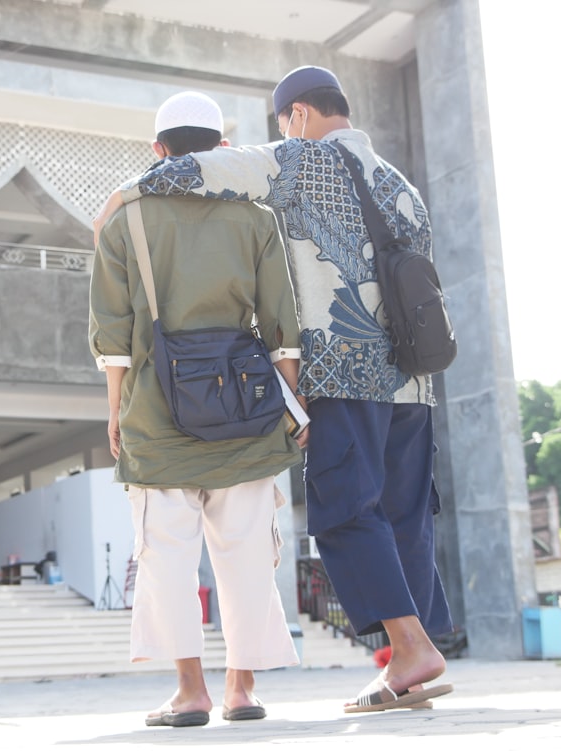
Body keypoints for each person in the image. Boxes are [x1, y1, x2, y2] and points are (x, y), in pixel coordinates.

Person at [92, 66, 455, 713]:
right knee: (403, 516)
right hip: (412, 383)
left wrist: (122, 199)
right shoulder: (402, 187)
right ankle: (407, 655)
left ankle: (408, 649)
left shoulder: (295, 161)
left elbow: (194, 170)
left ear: (295, 117)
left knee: (346, 510)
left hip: (343, 375)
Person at [88, 91, 308, 727]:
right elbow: (283, 327)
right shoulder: (256, 218)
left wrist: (114, 413)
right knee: (246, 553)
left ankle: (191, 693)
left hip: (156, 412)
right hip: (246, 407)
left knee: (167, 555)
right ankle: (241, 690)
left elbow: (111, 334)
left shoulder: (125, 217)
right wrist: (290, 408)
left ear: (157, 151)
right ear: (220, 150)